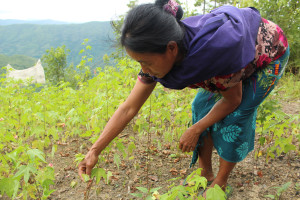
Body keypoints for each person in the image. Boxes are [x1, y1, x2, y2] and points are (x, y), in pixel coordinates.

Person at [78, 0, 289, 198]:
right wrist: (95, 150)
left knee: (237, 114)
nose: (144, 69)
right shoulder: (164, 54)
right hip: (227, 66)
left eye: (147, 62)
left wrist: (195, 129)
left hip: (268, 51)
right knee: (200, 105)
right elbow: (128, 107)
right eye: (139, 62)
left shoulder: (214, 55)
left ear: (171, 48)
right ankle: (204, 173)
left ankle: (221, 182)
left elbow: (232, 100)